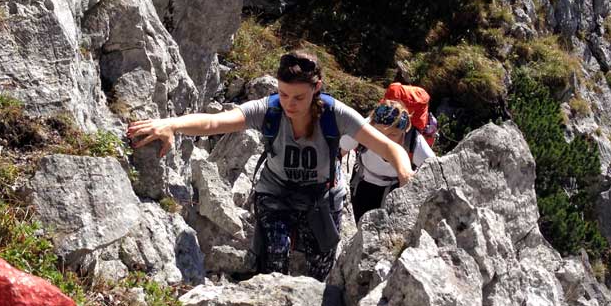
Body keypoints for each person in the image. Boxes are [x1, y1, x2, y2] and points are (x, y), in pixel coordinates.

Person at [126, 50, 413, 280]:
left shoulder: (334, 114)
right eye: (284, 94)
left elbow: (388, 146)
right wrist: (171, 124)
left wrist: (405, 174)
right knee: (275, 254)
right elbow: (215, 122)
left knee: (321, 262)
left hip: (321, 196)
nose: (289, 103)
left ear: (317, 89)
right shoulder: (269, 109)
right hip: (276, 192)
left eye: (299, 97)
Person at [343, 97, 434, 222]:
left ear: (404, 132)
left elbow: (435, 170)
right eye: (378, 132)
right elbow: (339, 152)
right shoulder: (363, 128)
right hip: (363, 185)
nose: (384, 139)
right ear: (371, 126)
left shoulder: (413, 142)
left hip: (394, 188)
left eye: (392, 134)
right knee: (361, 223)